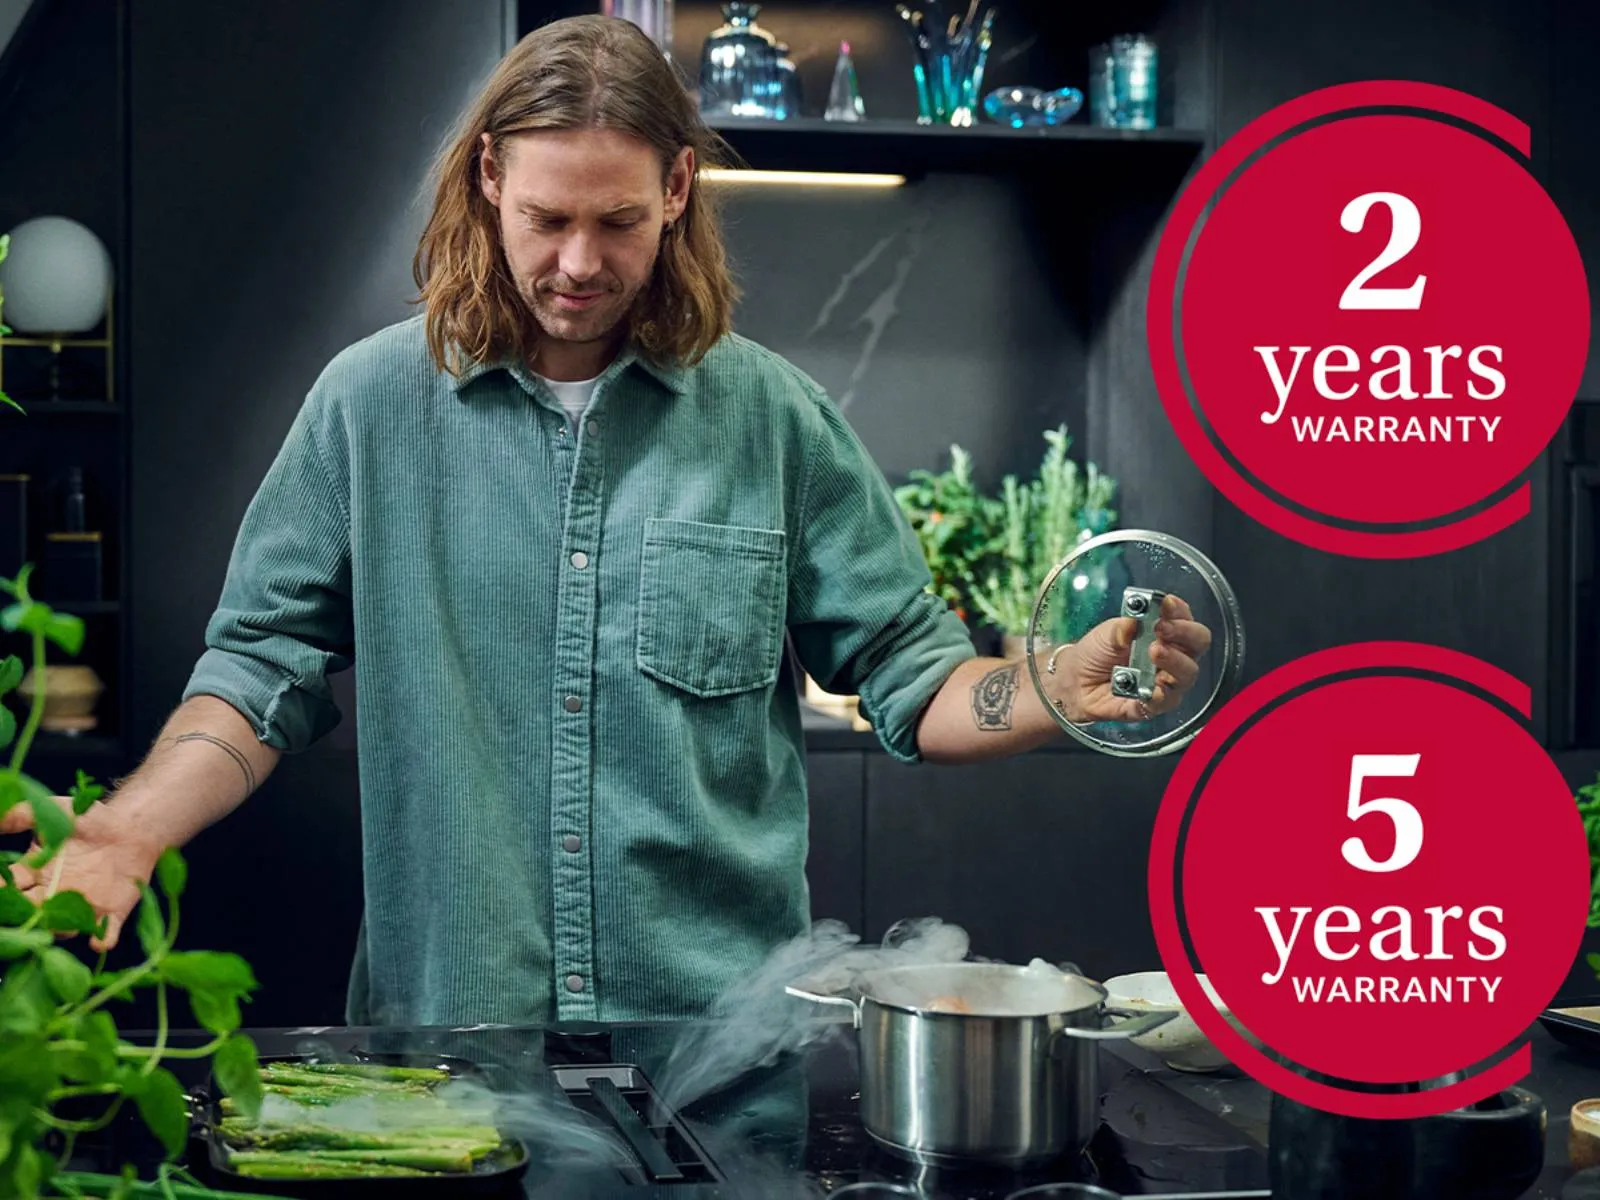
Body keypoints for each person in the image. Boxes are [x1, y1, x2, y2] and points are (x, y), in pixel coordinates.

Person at [0, 14, 1210, 1027]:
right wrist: (127, 831)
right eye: (546, 218)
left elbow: (911, 678)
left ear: (676, 190)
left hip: (718, 1053)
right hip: (453, 1046)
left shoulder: (776, 420)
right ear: (489, 178)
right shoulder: (367, 408)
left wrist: (1047, 686)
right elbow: (261, 670)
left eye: (617, 221)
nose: (578, 262)